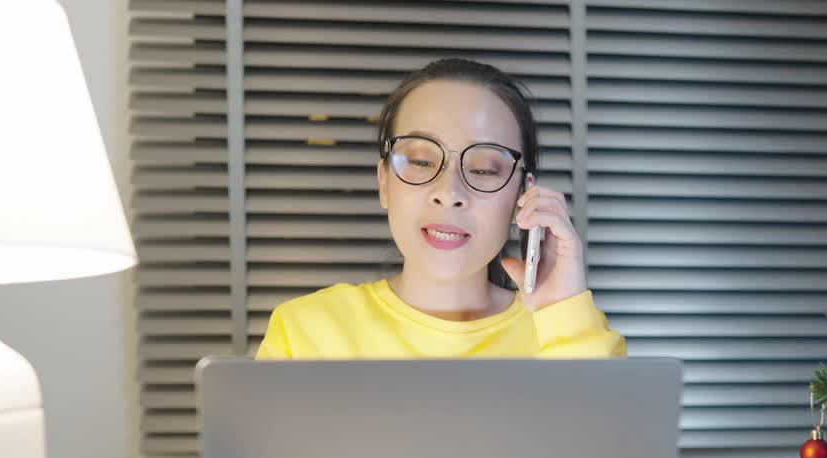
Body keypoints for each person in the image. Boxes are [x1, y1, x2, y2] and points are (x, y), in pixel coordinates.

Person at [255, 58, 625, 360]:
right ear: (383, 180)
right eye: (420, 161)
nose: (449, 192)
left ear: (522, 196)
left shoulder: (576, 333)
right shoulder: (306, 332)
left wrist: (564, 314)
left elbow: (625, 452)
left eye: (483, 169)